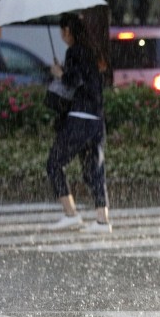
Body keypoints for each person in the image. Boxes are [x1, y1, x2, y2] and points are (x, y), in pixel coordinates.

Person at [45, 13, 111, 233]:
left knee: (54, 163)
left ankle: (70, 214)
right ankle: (102, 220)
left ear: (67, 31)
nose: (62, 36)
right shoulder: (92, 51)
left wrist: (59, 72)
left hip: (80, 118)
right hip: (96, 120)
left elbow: (74, 81)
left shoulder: (74, 51)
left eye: (62, 32)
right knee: (94, 169)